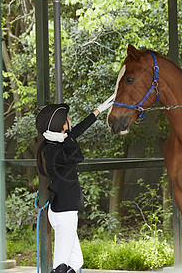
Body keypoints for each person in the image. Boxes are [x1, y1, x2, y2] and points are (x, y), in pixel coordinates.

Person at [35, 94, 115, 273]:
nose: (70, 121)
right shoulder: (56, 150)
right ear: (62, 127)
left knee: (76, 261)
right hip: (64, 213)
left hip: (62, 210)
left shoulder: (55, 143)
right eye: (66, 120)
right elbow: (77, 155)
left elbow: (76, 131)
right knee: (60, 265)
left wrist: (98, 110)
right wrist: (67, 137)